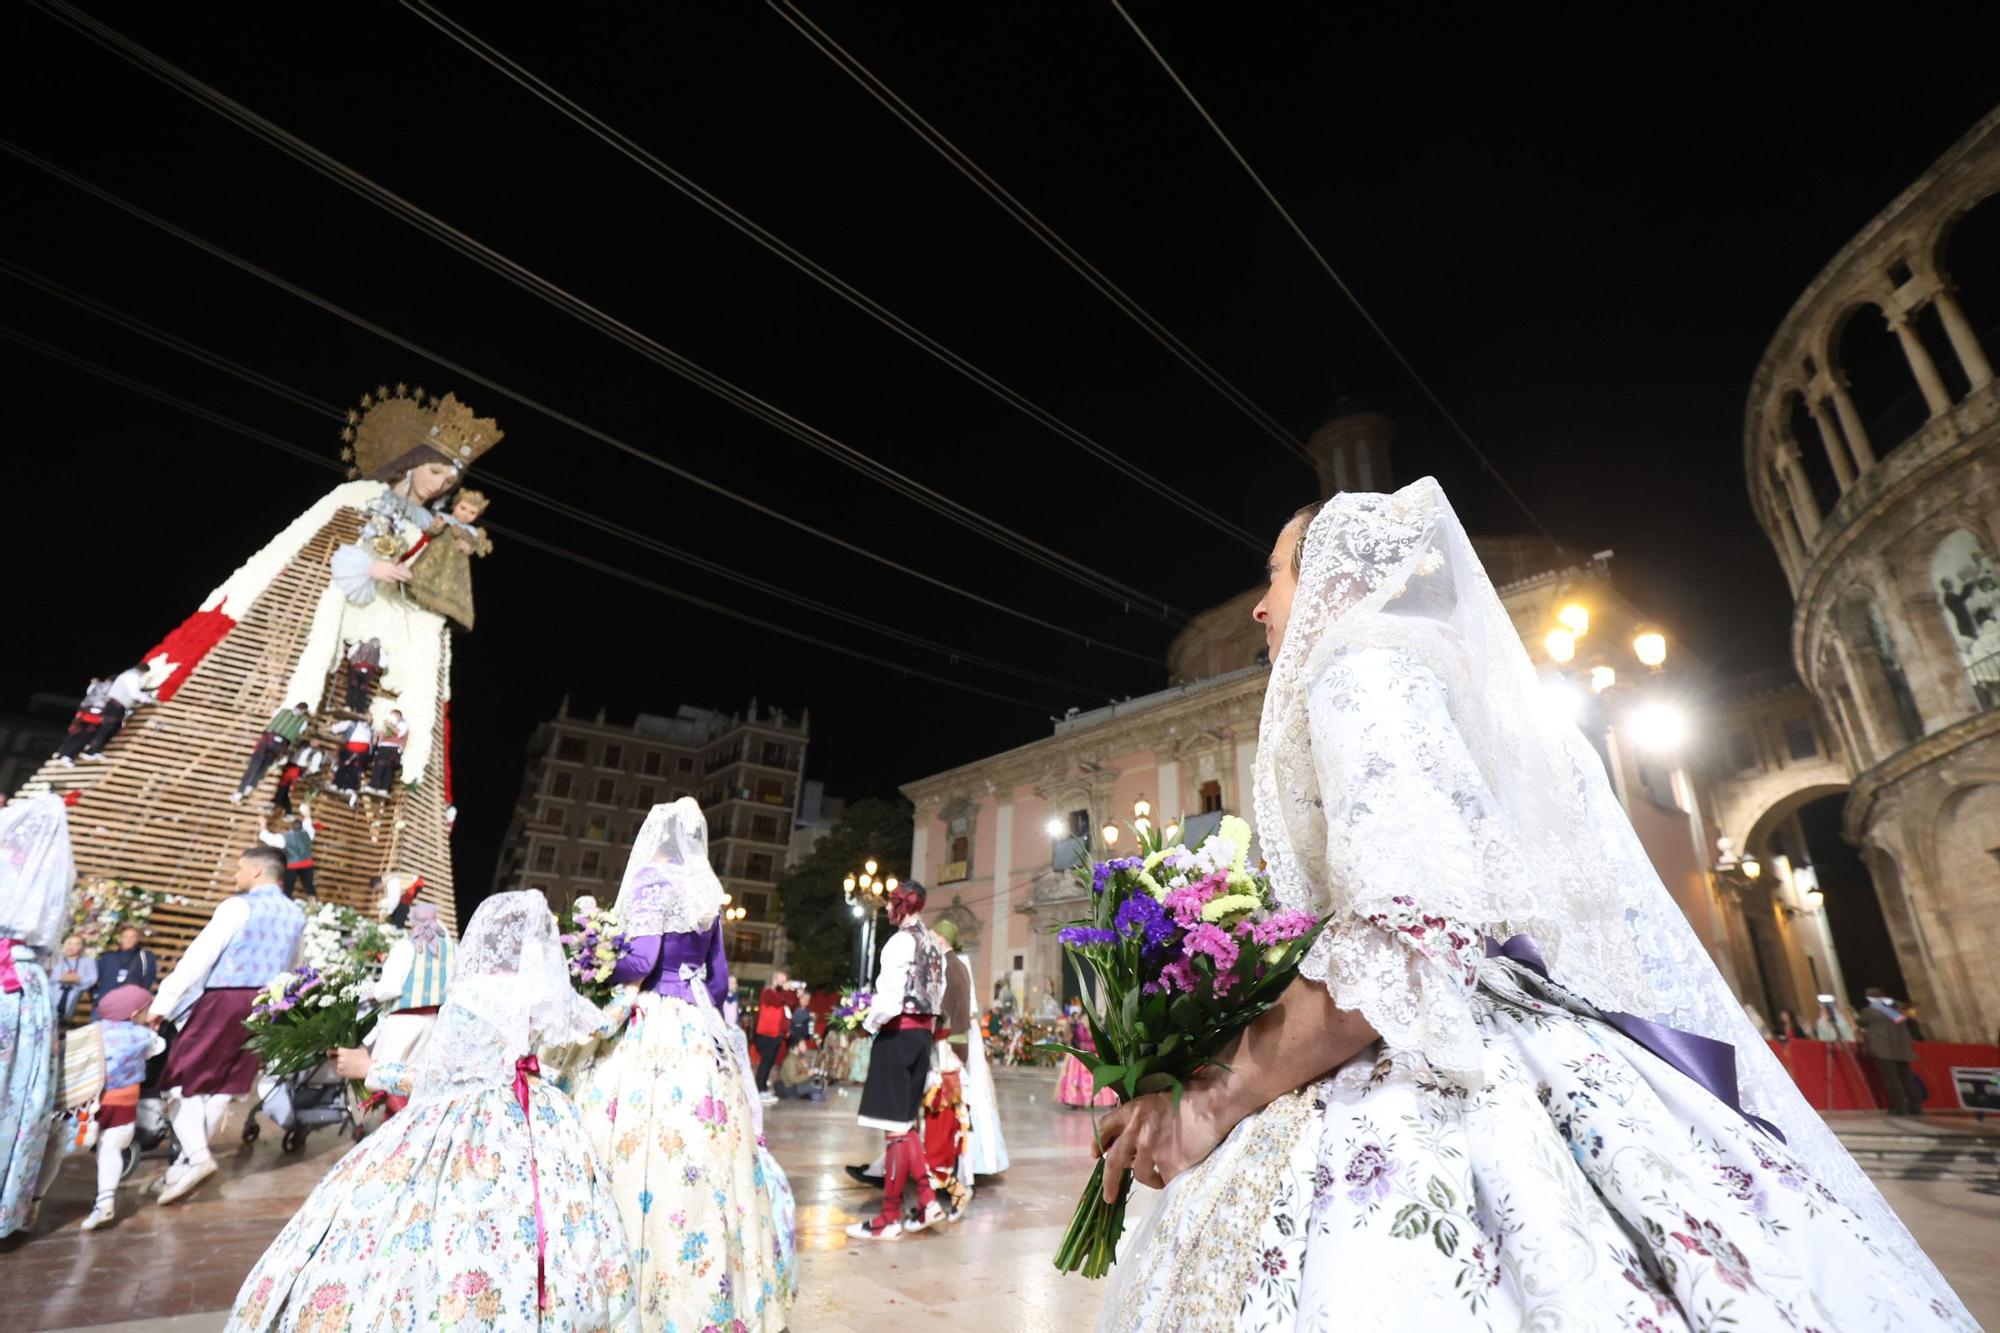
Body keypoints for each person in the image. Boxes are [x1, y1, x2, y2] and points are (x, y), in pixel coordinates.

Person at [1095, 483, 1975, 1329]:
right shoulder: (1420, 673)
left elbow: (1407, 932)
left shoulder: (1354, 667)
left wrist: (1215, 1101)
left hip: (1424, 1045)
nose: (1259, 607)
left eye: (1279, 573)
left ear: (1340, 580)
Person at [224, 891, 636, 1332]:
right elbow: (603, 1024)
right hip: (541, 1114)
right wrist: (631, 994)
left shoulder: (473, 994)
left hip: (477, 1122)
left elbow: (438, 1080)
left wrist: (371, 1069)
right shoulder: (548, 992)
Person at [565, 798, 797, 1332]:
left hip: (656, 1022)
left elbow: (642, 962)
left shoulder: (652, 881)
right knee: (710, 1143)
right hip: (699, 1027)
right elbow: (717, 979)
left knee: (639, 1139)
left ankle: (640, 1283)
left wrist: (597, 960)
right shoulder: (706, 891)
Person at [150, 845, 306, 1205]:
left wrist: (164, 1002)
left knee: (179, 1082)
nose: (235, 875)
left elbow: (199, 956)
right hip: (268, 1002)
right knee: (223, 1087)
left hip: (227, 998)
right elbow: (297, 966)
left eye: (239, 868)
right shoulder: (296, 914)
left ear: (255, 871)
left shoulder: (238, 905)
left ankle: (198, 1159)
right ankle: (183, 1167)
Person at [847, 880, 950, 1241]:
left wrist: (866, 1024)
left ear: (898, 906)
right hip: (923, 1038)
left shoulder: (899, 942)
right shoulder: (935, 946)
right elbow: (938, 996)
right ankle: (926, 1201)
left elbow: (889, 999)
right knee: (905, 1126)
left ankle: (890, 1217)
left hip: (897, 1035)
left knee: (894, 1129)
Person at [0, 795, 74, 1237]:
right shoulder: (48, 878)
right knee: (21, 1096)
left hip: (12, 985)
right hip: (27, 988)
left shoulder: (11, 872)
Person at [66, 984, 165, 1231]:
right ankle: (105, 1200)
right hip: (125, 1101)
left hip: (92, 1099)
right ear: (134, 1014)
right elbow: (158, 1048)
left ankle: (36, 1195)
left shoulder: (93, 1031)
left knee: (77, 1140)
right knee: (111, 1148)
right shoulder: (143, 1036)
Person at [362, 901, 453, 1112]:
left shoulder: (407, 947)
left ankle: (384, 1125)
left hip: (402, 1021)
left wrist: (371, 994)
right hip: (432, 1022)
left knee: (386, 1078)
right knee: (412, 1080)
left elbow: (390, 988)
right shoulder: (450, 949)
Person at [939, 918, 1008, 1183]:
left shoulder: (957, 964)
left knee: (964, 1093)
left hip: (960, 1033)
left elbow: (961, 1007)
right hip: (961, 1032)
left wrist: (956, 1042)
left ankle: (970, 1160)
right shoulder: (954, 963)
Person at [1860, 986, 1926, 1116]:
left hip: (1884, 1051)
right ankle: (1916, 1107)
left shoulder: (1869, 1012)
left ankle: (1900, 1107)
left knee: (1892, 1080)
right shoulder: (1896, 1010)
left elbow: (1860, 1022)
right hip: (1901, 1050)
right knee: (1908, 1079)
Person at [230, 703, 312, 803]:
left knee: (254, 766)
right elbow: (298, 733)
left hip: (268, 740)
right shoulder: (303, 722)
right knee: (263, 766)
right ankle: (250, 786)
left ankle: (240, 791)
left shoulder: (281, 711)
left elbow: (273, 717)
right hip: (280, 745)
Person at [80, 665, 156, 760]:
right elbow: (134, 693)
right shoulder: (132, 676)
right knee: (106, 729)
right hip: (116, 706)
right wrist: (149, 700)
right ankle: (91, 752)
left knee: (110, 729)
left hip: (115, 705)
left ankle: (95, 751)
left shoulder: (126, 674)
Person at [1054, 1002, 1119, 1109]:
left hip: (1088, 1056)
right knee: (1087, 1081)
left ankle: (1082, 1100)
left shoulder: (1088, 1026)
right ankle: (1081, 1100)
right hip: (1088, 1056)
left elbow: (1086, 1039)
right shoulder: (1086, 1026)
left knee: (1088, 1081)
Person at [753, 970, 796, 1099]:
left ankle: (763, 1088)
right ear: (774, 980)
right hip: (765, 1034)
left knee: (770, 1061)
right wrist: (785, 990)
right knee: (765, 1062)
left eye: (785, 980)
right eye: (781, 980)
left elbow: (791, 1002)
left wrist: (792, 992)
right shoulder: (768, 992)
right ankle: (759, 1089)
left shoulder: (780, 993)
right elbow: (777, 1001)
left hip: (777, 1034)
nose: (783, 983)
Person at [53, 677, 112, 765]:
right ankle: (67, 756)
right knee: (84, 736)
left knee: (74, 734)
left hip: (83, 713)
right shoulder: (110, 687)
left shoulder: (96, 685)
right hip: (94, 716)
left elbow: (88, 693)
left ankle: (62, 753)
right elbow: (105, 701)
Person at [93, 924, 160, 1001]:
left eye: (133, 937)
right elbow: (93, 977)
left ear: (137, 939)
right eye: (125, 937)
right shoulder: (107, 957)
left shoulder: (146, 957)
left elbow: (149, 978)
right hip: (105, 1002)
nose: (129, 940)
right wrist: (96, 996)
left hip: (131, 1002)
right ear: (120, 938)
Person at [51, 934, 97, 1023]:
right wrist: (61, 978)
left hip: (76, 996)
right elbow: (48, 977)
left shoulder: (88, 961)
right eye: (69, 943)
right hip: (54, 993)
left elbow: (93, 978)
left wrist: (79, 980)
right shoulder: (56, 959)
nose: (72, 946)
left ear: (82, 947)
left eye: (77, 944)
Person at [365, 708, 409, 796]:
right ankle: (381, 788)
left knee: (383, 767)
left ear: (398, 716)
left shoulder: (402, 724)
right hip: (384, 747)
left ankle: (375, 786)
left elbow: (399, 733)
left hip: (392, 748)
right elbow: (382, 735)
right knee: (383, 766)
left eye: (393, 715)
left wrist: (389, 724)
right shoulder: (389, 725)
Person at [342, 637, 384, 713]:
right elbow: (383, 664)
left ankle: (348, 706)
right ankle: (359, 709)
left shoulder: (360, 643)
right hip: (368, 671)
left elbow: (350, 654)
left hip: (356, 667)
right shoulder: (380, 650)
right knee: (363, 689)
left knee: (352, 687)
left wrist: (353, 661)